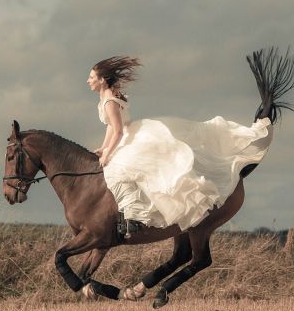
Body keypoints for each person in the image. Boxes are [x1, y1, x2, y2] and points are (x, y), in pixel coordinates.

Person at [88, 56, 273, 238]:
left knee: (117, 172)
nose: (88, 81)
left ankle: (133, 218)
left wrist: (107, 155)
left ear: (102, 80)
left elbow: (118, 130)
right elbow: (110, 127)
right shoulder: (106, 96)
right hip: (129, 134)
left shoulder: (110, 101)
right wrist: (104, 148)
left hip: (128, 137)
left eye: (92, 77)